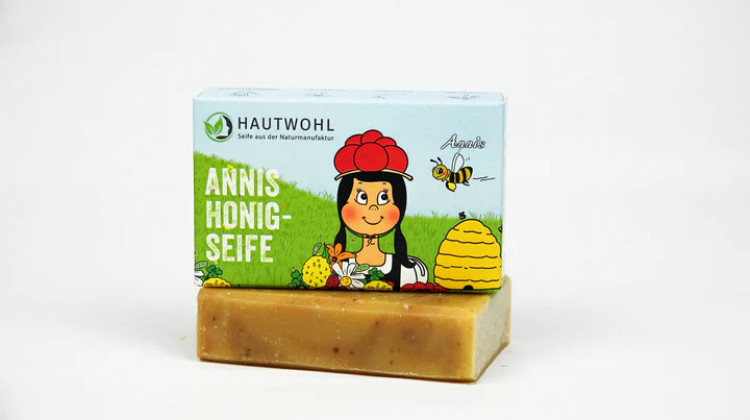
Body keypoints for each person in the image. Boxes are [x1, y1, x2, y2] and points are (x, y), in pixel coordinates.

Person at [332, 129, 429, 291]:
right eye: (362, 197)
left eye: (384, 198)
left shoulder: (409, 270)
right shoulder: (338, 268)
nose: (373, 207)